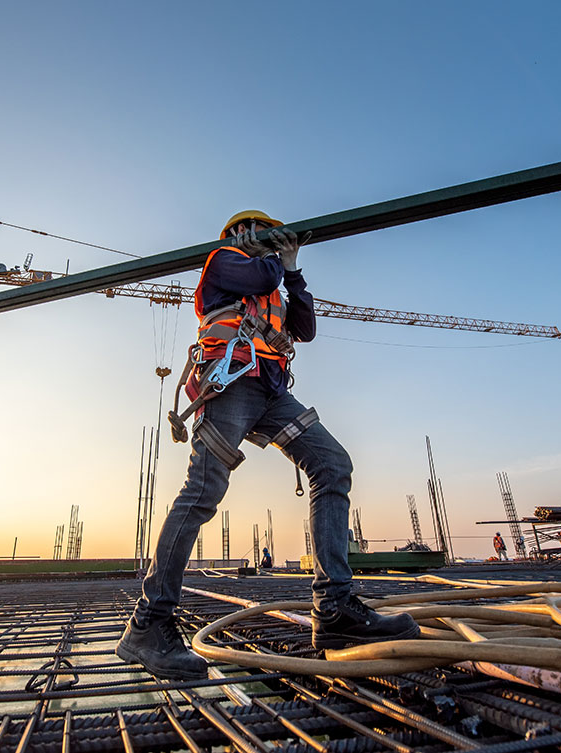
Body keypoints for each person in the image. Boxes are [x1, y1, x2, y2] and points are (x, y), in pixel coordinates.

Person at [116, 210, 420, 680]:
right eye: (256, 230)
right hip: (231, 384)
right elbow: (261, 272)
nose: (265, 240)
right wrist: (276, 257)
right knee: (202, 493)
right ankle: (148, 624)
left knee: (331, 464)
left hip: (272, 392)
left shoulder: (276, 280)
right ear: (239, 233)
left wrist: (295, 270)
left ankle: (335, 608)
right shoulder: (224, 261)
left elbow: (306, 327)